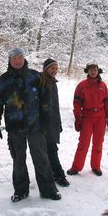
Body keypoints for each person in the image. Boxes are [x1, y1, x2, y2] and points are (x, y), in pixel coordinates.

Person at [0, 47, 61, 202]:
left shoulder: (35, 77)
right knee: (18, 160)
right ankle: (21, 190)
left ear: (24, 59)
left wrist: (46, 120)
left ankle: (48, 190)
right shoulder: (3, 80)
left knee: (41, 157)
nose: (17, 60)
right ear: (9, 61)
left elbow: (46, 100)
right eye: (14, 58)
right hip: (15, 127)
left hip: (35, 126)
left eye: (20, 57)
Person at [67, 61, 108, 176]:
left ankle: (96, 166)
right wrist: (78, 119)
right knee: (83, 143)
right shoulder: (81, 85)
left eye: (95, 70)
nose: (93, 72)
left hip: (100, 118)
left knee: (98, 144)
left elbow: (107, 102)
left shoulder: (103, 86)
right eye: (91, 70)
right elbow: (77, 104)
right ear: (87, 71)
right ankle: (76, 167)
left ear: (98, 71)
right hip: (87, 117)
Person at [41, 58, 70, 187]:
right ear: (46, 69)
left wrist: (58, 124)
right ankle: (59, 175)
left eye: (56, 68)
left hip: (52, 123)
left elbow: (55, 107)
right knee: (51, 149)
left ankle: (53, 173)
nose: (55, 71)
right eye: (52, 68)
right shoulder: (41, 82)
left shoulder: (53, 83)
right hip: (44, 123)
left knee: (50, 149)